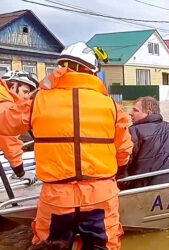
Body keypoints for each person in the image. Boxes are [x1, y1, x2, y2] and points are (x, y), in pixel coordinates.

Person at [0, 42, 133, 249]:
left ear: (61, 66)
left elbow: (5, 124)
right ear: (93, 71)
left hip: (56, 196)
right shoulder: (111, 106)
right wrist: (120, 171)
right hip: (100, 193)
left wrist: (10, 94)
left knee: (49, 245)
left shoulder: (37, 100)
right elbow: (124, 150)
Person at [0, 70, 38, 184]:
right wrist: (21, 173)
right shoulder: (5, 105)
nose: (25, 96)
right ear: (13, 85)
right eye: (25, 91)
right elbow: (9, 140)